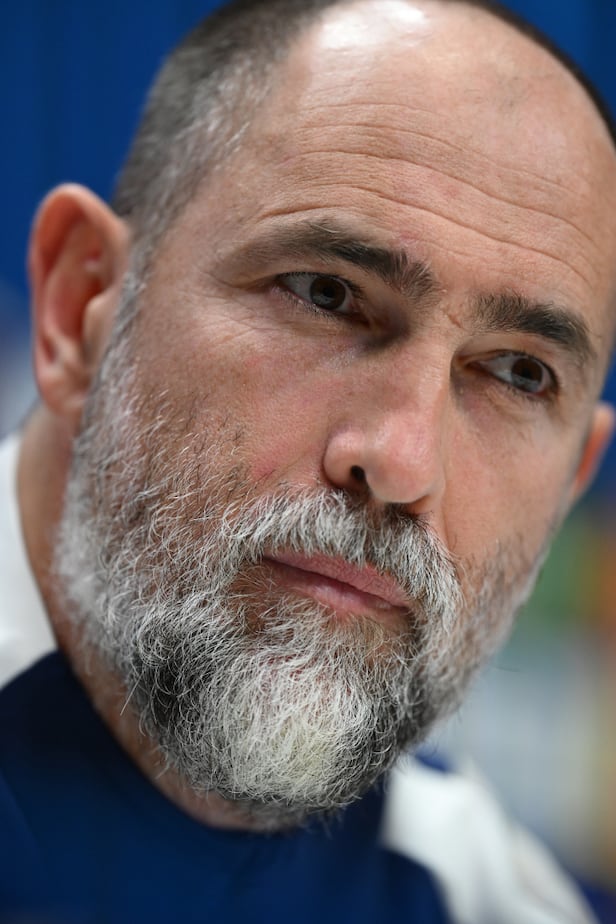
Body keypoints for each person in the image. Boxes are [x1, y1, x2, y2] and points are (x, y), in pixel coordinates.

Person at [1, 0, 615, 920]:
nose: (403, 463)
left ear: (571, 484)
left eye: (519, 373)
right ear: (81, 307)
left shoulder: (488, 900)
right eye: (327, 294)